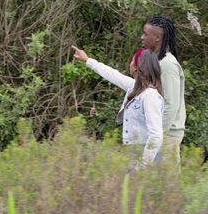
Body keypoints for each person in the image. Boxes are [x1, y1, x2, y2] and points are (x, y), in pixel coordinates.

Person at [71, 45, 164, 168]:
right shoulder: (134, 86)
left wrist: (143, 166)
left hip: (147, 156)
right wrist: (87, 60)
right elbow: (112, 74)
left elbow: (156, 136)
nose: (129, 64)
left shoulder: (150, 96)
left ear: (137, 68)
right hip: (134, 152)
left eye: (132, 61)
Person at [141, 15, 186, 166]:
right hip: (158, 135)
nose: (142, 38)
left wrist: (156, 136)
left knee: (167, 186)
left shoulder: (168, 65)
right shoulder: (156, 61)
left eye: (145, 34)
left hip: (167, 137)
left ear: (157, 38)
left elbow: (171, 106)